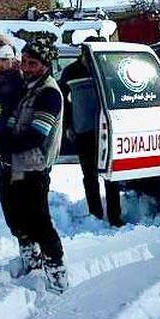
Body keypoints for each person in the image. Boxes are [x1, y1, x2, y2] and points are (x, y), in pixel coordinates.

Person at [0, 37, 68, 293]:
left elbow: (36, 135)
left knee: (39, 222)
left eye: (33, 63)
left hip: (33, 167)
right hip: (12, 165)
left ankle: (57, 273)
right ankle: (31, 261)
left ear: (46, 65)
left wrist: (4, 145)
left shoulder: (48, 93)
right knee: (15, 218)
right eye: (24, 61)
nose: (26, 67)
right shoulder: (25, 87)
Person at [58, 39, 121, 226]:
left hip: (106, 130)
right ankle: (96, 215)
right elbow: (63, 101)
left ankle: (115, 217)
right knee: (90, 175)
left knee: (112, 175)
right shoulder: (71, 71)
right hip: (83, 130)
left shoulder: (106, 68)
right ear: (84, 53)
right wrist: (68, 124)